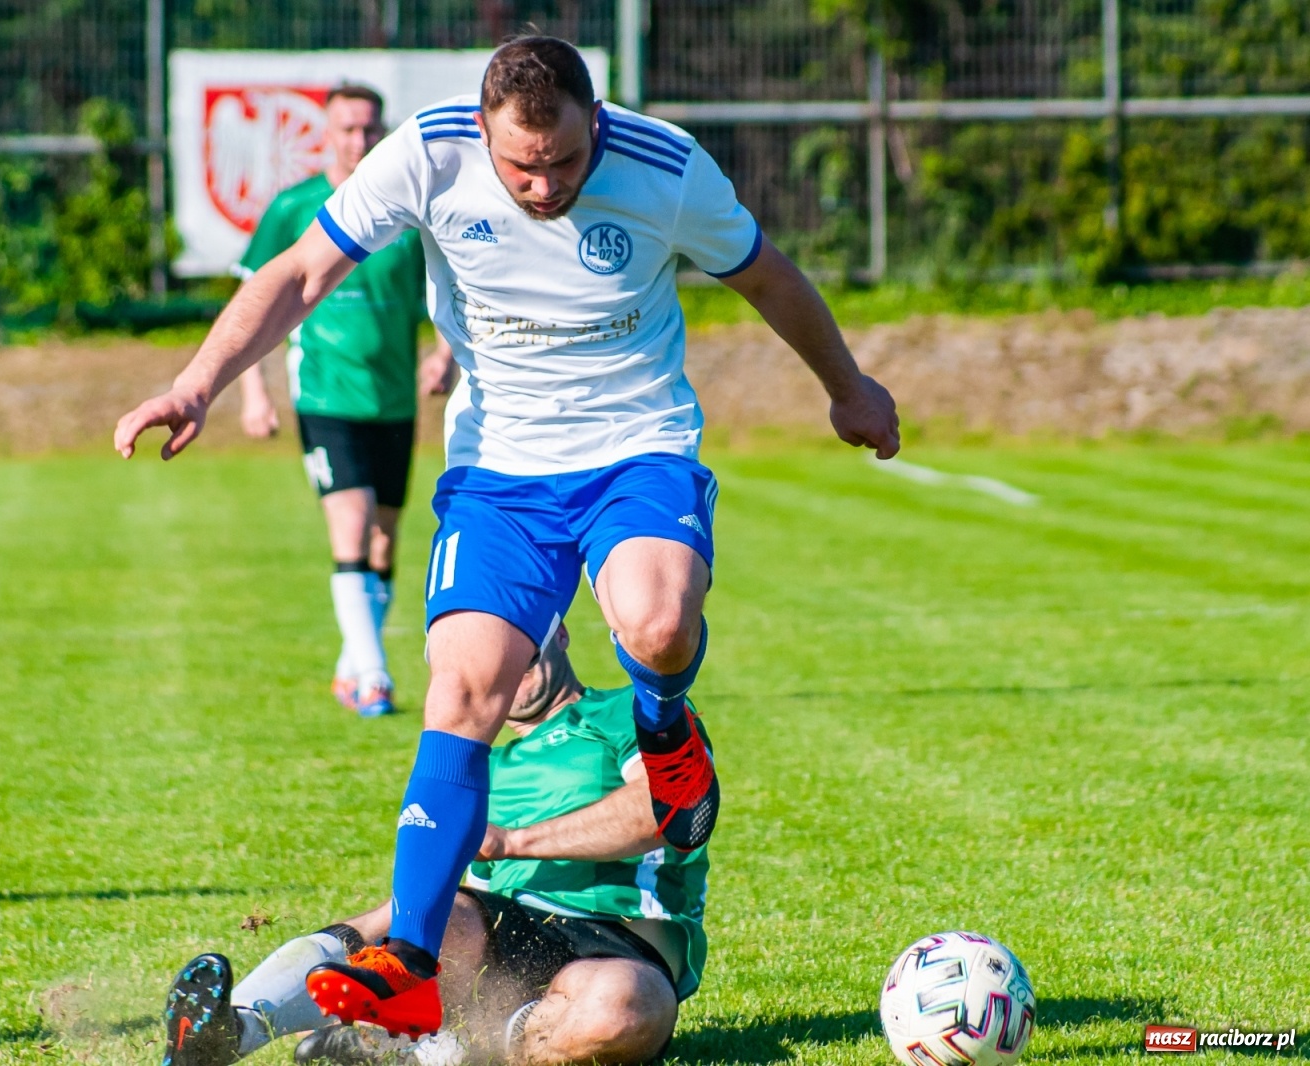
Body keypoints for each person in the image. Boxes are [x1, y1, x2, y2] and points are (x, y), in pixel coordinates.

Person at [116, 35, 899, 1036]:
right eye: (518, 165)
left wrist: (848, 388)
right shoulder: (428, 154)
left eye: (563, 162)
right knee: (464, 686)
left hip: (634, 449)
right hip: (498, 475)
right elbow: (302, 272)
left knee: (656, 625)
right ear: (484, 131)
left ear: (597, 123)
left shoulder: (663, 166)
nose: (539, 185)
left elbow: (768, 278)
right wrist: (195, 384)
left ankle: (668, 735)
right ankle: (403, 960)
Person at [160, 625, 708, 1066]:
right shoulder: (468, 764)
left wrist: (512, 841)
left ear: (558, 634)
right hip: (497, 927)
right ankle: (232, 1030)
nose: (506, 670)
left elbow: (664, 812)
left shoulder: (630, 715)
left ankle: (441, 1051)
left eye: (521, 651)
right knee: (420, 916)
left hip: (621, 940)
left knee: (619, 1011)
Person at [234, 83, 456, 717]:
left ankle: (351, 665)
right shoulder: (295, 207)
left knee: (384, 544)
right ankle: (375, 675)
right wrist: (255, 390)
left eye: (368, 130)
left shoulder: (404, 215)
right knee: (352, 526)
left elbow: (439, 297)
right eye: (347, 130)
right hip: (326, 396)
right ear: (326, 134)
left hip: (393, 401)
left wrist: (441, 355)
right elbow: (257, 300)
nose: (358, 141)